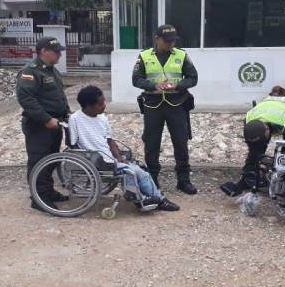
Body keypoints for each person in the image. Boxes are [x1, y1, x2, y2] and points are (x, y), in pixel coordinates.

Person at [69, 85, 179, 211]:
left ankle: (158, 199)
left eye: (104, 102)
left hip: (109, 159)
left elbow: (110, 141)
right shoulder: (75, 119)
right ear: (88, 106)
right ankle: (140, 198)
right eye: (100, 104)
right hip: (93, 160)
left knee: (142, 171)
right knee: (131, 171)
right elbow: (73, 144)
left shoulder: (102, 118)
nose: (104, 106)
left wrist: (119, 157)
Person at [132, 24, 198, 195]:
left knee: (181, 142)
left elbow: (193, 78)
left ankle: (183, 180)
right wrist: (153, 85)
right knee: (151, 144)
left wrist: (178, 85)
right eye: (167, 41)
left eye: (173, 41)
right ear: (157, 39)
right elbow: (136, 79)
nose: (170, 44)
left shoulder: (181, 55)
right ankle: (152, 180)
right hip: (153, 105)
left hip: (177, 104)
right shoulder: (144, 56)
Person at [220, 86, 285, 197]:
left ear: (267, 130)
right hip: (269, 107)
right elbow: (253, 147)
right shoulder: (249, 119)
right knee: (256, 149)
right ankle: (249, 176)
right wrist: (252, 161)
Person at [16, 37, 70, 211]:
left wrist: (67, 112)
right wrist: (46, 119)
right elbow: (26, 99)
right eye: (56, 52)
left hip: (55, 123)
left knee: (51, 160)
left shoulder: (52, 71)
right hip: (39, 125)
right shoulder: (30, 72)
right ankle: (38, 199)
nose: (59, 55)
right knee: (39, 161)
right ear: (43, 51)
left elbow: (59, 96)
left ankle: (47, 191)